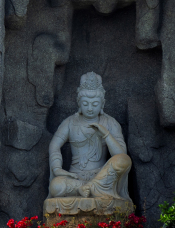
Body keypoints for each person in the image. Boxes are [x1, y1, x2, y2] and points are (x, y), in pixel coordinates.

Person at [46, 72, 133, 205]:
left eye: (95, 104)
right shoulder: (70, 122)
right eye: (86, 104)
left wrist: (106, 134)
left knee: (124, 160)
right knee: (55, 186)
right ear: (79, 103)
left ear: (102, 104)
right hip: (75, 178)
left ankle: (92, 187)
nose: (90, 108)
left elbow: (121, 155)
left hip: (102, 177)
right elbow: (54, 145)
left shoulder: (110, 123)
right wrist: (57, 167)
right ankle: (87, 189)